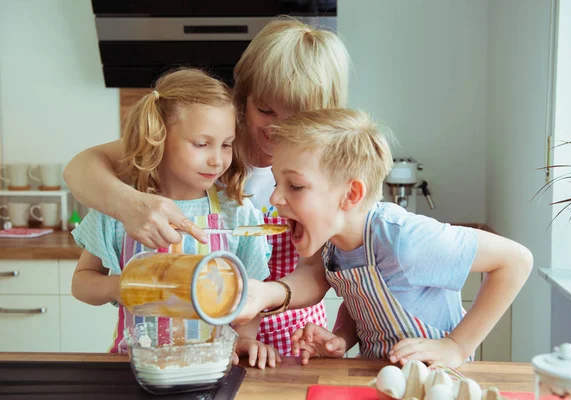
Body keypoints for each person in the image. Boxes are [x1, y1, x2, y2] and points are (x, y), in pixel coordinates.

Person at [63, 17, 350, 368]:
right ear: (243, 97)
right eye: (265, 110)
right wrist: (129, 205)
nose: (278, 128)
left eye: (299, 117)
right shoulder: (204, 140)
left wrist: (257, 301)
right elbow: (81, 166)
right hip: (194, 352)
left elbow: (316, 272)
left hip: (294, 344)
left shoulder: (327, 167)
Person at [259, 108, 533, 368]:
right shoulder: (333, 243)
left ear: (351, 195)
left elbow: (516, 261)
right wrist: (341, 337)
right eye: (275, 182)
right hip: (379, 378)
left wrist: (456, 346)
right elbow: (363, 301)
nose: (275, 198)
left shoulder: (405, 240)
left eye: (295, 185)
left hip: (437, 381)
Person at [70, 68, 271, 355]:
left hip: (213, 363)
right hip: (136, 364)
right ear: (158, 138)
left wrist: (246, 339)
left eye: (226, 145)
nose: (217, 160)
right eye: (202, 144)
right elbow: (81, 283)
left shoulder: (237, 211)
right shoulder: (121, 208)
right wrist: (123, 285)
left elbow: (251, 290)